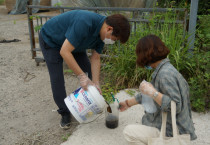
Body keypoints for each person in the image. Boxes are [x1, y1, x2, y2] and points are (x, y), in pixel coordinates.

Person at [39, 10, 130, 129]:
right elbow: (65, 52)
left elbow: (96, 58)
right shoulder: (84, 23)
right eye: (114, 39)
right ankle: (64, 113)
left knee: (90, 73)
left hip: (74, 44)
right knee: (57, 79)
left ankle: (85, 102)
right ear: (109, 29)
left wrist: (96, 83)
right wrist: (81, 76)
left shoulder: (102, 35)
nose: (112, 42)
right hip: (52, 40)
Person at [119, 35, 197, 144]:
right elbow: (147, 94)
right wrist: (128, 103)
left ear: (145, 55)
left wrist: (153, 93)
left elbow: (176, 106)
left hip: (172, 131)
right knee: (145, 120)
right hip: (175, 125)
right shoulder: (166, 69)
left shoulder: (164, 75)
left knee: (129, 132)